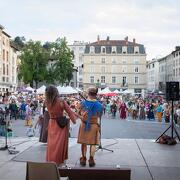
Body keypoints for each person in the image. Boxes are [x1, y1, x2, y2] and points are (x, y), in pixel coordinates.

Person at [45, 85, 77, 166]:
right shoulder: (61, 101)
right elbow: (70, 112)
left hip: (51, 123)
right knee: (59, 144)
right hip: (61, 125)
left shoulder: (47, 102)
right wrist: (74, 121)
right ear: (56, 92)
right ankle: (59, 161)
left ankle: (51, 161)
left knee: (52, 144)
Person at [76, 87, 103, 167]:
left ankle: (83, 159)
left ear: (88, 93)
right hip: (94, 125)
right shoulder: (100, 105)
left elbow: (78, 113)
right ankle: (91, 160)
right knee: (93, 143)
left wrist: (82, 116)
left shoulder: (83, 103)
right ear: (96, 94)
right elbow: (99, 116)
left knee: (83, 143)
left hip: (84, 125)